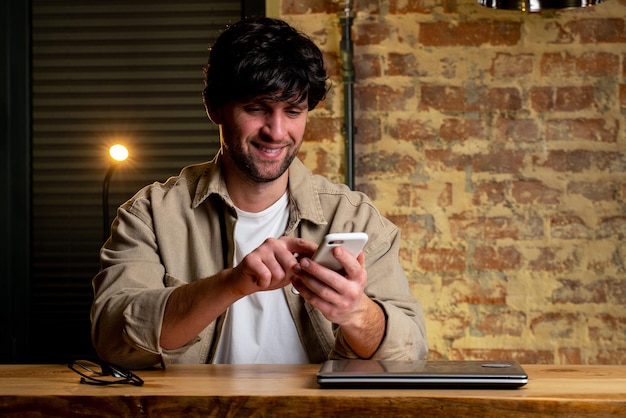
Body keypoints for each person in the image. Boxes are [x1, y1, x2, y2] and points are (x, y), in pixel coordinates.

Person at [91, 17, 428, 370]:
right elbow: (113, 340)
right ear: (214, 107)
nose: (277, 131)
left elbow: (410, 351)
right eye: (256, 108)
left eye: (293, 111)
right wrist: (233, 284)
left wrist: (356, 312)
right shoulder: (150, 215)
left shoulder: (353, 216)